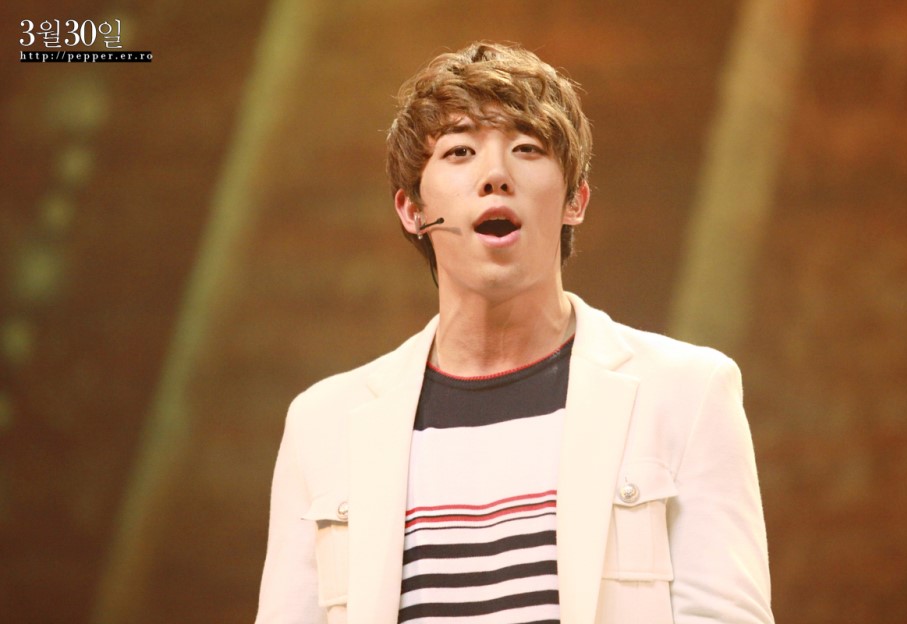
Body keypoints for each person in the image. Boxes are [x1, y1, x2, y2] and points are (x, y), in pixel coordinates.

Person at [255, 41, 774, 624]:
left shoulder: (687, 393)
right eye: (459, 151)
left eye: (527, 149)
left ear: (575, 200)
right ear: (411, 210)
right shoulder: (324, 424)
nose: (496, 175)